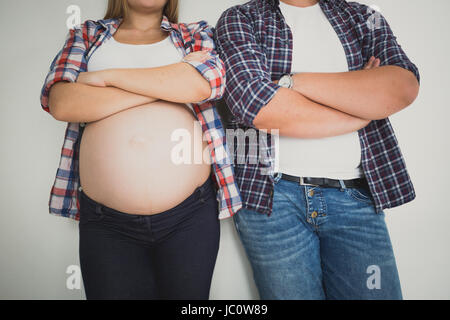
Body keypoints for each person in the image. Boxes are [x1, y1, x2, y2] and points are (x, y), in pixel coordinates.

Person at [215, 0, 420, 299]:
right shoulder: (241, 17)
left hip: (357, 198)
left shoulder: (364, 17)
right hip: (272, 200)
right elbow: (255, 105)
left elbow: (402, 86)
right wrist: (361, 103)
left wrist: (291, 83)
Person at [40, 0, 242, 300]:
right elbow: (61, 102)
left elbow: (203, 86)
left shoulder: (193, 34)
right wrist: (166, 84)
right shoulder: (87, 35)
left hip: (190, 216)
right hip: (107, 225)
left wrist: (105, 78)